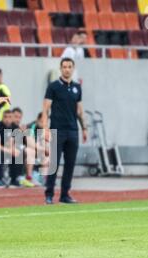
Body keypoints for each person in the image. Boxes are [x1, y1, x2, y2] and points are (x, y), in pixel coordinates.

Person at [42, 57, 87, 205]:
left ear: (73, 69)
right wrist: (46, 129)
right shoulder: (53, 86)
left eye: (69, 67)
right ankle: (49, 194)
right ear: (60, 69)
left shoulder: (77, 87)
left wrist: (84, 128)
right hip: (57, 130)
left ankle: (65, 194)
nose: (67, 69)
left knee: (70, 164)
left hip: (73, 131)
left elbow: (80, 111)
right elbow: (45, 109)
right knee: (54, 164)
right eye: (64, 67)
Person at [11, 107, 35, 187]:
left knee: (31, 151)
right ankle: (19, 177)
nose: (18, 119)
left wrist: (24, 132)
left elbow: (30, 143)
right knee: (21, 150)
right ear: (11, 116)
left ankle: (28, 177)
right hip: (8, 150)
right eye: (16, 117)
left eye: (19, 117)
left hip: (19, 149)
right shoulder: (8, 126)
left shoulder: (20, 128)